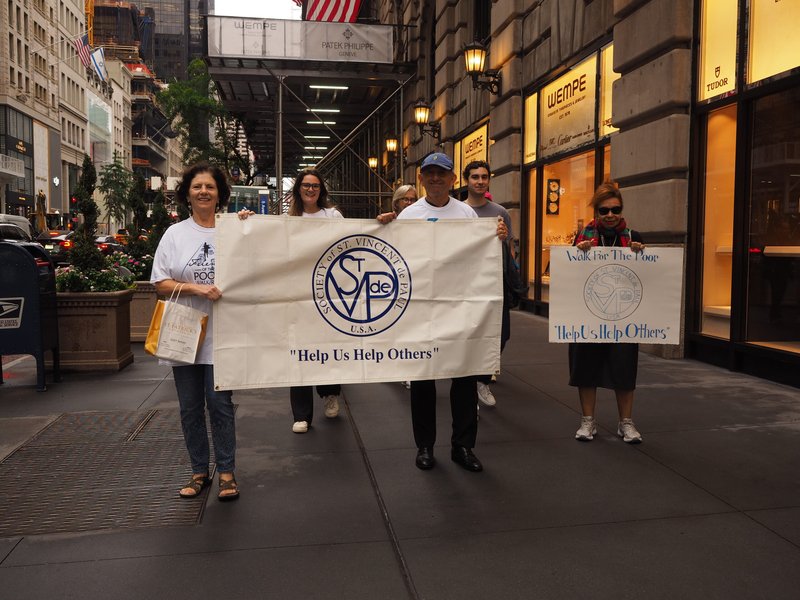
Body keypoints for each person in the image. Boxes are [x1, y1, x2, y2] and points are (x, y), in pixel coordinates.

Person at [377, 152, 508, 472]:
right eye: (430, 173)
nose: (436, 178)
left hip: (460, 307)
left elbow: (481, 256)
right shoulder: (409, 216)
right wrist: (382, 227)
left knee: (463, 377)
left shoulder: (466, 213)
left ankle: (462, 446)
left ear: (452, 180)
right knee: (424, 381)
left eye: (442, 173)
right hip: (422, 308)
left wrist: (497, 238)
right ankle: (424, 446)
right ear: (421, 178)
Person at [150, 163, 239, 501]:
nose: (204, 191)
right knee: (189, 407)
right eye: (197, 186)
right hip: (183, 333)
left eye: (210, 187)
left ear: (220, 194)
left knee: (220, 404)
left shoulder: (232, 230)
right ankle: (199, 471)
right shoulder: (175, 234)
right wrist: (197, 290)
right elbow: (159, 283)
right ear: (187, 193)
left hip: (223, 334)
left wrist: (248, 224)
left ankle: (227, 471)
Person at [570, 181, 645, 444]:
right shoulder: (582, 239)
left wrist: (640, 255)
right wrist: (577, 255)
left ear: (621, 210)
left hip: (624, 317)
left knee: (624, 369)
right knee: (586, 368)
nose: (610, 215)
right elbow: (570, 278)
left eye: (615, 209)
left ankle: (626, 422)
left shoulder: (634, 237)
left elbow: (646, 279)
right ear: (596, 212)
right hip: (588, 316)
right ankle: (587, 421)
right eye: (604, 210)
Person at [288, 169, 344, 433]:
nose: (311, 190)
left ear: (322, 190)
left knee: (326, 346)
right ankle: (301, 414)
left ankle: (330, 393)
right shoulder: (288, 218)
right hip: (297, 293)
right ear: (298, 188)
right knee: (298, 349)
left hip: (327, 290)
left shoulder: (332, 215)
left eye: (315, 186)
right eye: (306, 185)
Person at [462, 160, 513, 407]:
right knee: (470, 332)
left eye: (484, 177)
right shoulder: (458, 212)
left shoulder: (500, 212)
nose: (480, 181)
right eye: (475, 177)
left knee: (500, 333)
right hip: (467, 283)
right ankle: (470, 382)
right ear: (466, 181)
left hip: (495, 282)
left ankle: (482, 379)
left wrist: (503, 241)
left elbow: (509, 247)